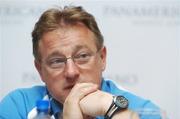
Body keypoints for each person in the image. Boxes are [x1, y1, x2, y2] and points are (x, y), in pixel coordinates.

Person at [0, 6, 162, 119]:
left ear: (102, 58)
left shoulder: (144, 111)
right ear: (40, 70)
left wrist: (114, 110)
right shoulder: (18, 107)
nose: (71, 72)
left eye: (82, 56)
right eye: (56, 61)